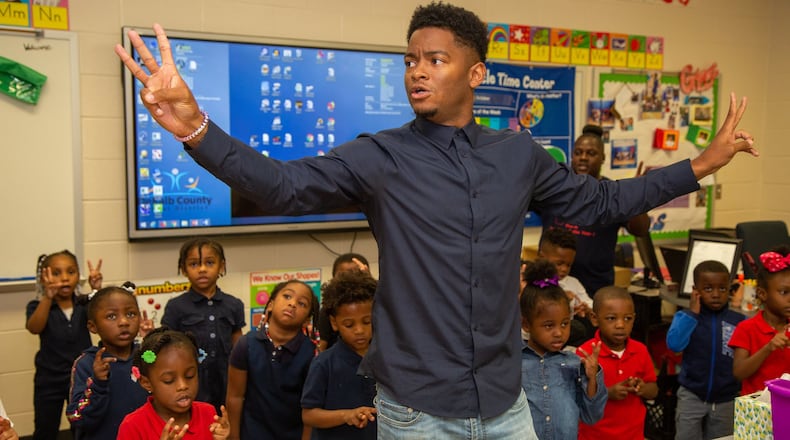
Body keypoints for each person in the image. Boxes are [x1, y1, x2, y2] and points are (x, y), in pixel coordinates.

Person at [115, 1, 755, 436]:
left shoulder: (517, 155)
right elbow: (283, 187)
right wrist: (197, 129)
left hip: (507, 404)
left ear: (475, 72)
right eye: (410, 60)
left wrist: (700, 164)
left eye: (435, 60)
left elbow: (605, 202)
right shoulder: (380, 156)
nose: (417, 71)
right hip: (416, 411)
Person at [541, 125, 651, 296]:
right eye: (578, 153)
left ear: (603, 158)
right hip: (549, 289)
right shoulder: (556, 189)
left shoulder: (612, 193)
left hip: (595, 290)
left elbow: (641, 230)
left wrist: (637, 198)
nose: (583, 158)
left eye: (591, 153)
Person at [519, 260, 606, 439]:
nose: (559, 332)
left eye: (565, 323)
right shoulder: (514, 361)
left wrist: (592, 378)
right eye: (549, 325)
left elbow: (592, 416)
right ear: (526, 325)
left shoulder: (574, 363)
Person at [226, 280, 319, 440]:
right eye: (287, 296)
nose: (292, 304)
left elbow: (310, 410)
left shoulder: (311, 355)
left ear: (307, 320)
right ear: (270, 304)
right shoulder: (246, 345)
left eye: (302, 303)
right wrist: (233, 437)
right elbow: (234, 396)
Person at [25, 251, 102, 440]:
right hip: (49, 379)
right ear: (45, 277)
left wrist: (96, 290)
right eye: (57, 273)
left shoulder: (85, 303)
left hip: (81, 377)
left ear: (78, 275)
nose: (65, 278)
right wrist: (48, 297)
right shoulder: (38, 305)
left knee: (82, 426)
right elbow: (34, 327)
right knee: (45, 427)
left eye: (71, 272)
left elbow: (103, 316)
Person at [162, 238, 245, 412]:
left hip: (227, 377)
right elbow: (166, 343)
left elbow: (238, 340)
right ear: (184, 269)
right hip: (192, 378)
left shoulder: (234, 304)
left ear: (221, 266)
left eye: (209, 263)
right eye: (194, 264)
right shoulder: (176, 306)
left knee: (225, 418)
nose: (202, 269)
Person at [666, 260, 745, 440]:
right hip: (692, 395)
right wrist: (693, 313)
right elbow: (675, 345)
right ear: (696, 291)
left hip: (727, 398)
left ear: (730, 290)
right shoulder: (685, 317)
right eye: (708, 289)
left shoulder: (738, 320)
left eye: (722, 289)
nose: (716, 294)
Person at [67, 283, 151, 439]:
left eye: (131, 314)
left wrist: (153, 343)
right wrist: (98, 383)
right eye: (112, 316)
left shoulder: (145, 355)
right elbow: (76, 417)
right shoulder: (86, 364)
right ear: (93, 326)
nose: (124, 322)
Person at [302, 269, 377, 439]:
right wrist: (347, 415)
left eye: (367, 322)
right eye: (349, 325)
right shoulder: (324, 363)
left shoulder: (387, 359)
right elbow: (309, 415)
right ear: (334, 323)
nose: (359, 330)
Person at [117, 328, 230, 440]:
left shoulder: (208, 413)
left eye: (190, 376)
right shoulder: (133, 426)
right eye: (169, 380)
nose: (183, 386)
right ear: (146, 383)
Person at [577, 286, 658, 439]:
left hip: (633, 434)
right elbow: (577, 398)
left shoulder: (640, 350)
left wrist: (642, 387)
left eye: (627, 318)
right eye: (611, 318)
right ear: (594, 318)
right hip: (595, 435)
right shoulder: (585, 353)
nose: (620, 325)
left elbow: (653, 389)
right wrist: (607, 393)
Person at [729, 246, 790, 395]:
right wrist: (768, 348)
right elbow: (739, 373)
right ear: (762, 294)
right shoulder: (747, 328)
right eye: (784, 292)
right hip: (756, 413)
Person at [538, 227, 595, 346]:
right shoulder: (533, 281)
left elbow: (589, 302)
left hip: (563, 341)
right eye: (559, 263)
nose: (564, 269)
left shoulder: (573, 283)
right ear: (542, 257)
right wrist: (562, 297)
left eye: (568, 265)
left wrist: (587, 308)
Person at [316, 253, 370, 352]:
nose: (350, 280)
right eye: (343, 275)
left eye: (356, 274)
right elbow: (322, 345)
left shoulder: (376, 303)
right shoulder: (328, 309)